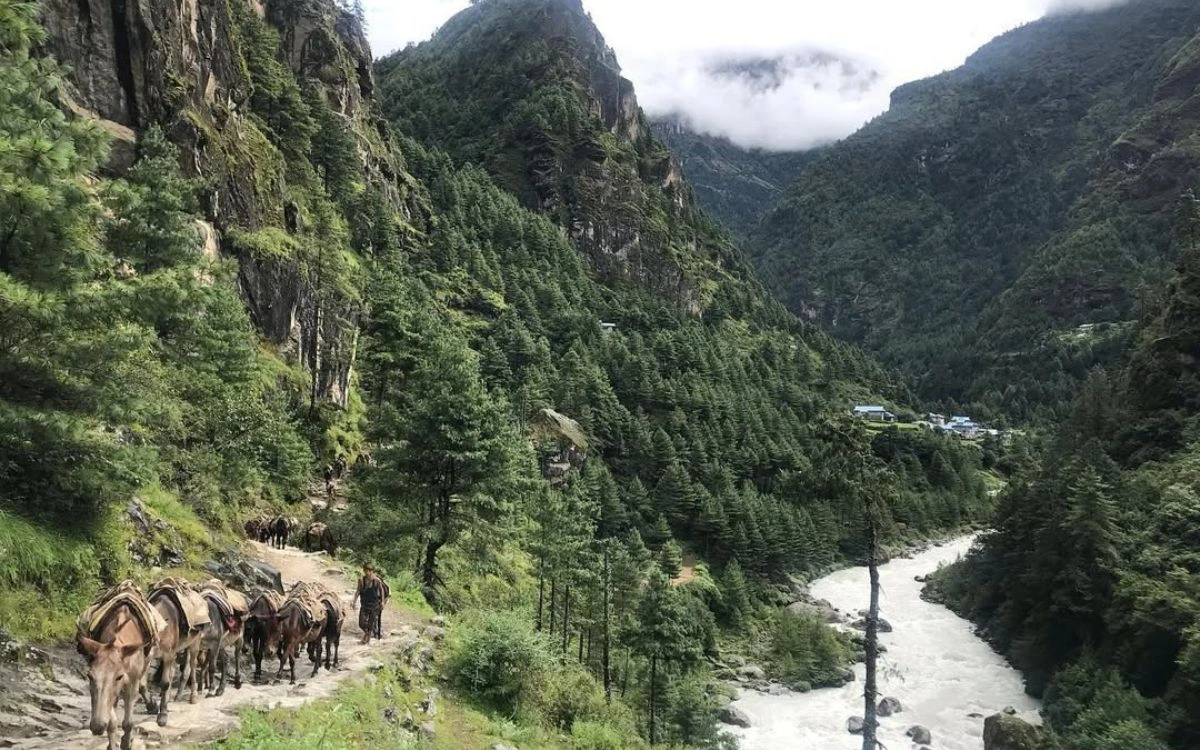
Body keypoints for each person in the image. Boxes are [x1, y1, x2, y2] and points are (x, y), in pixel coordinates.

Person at [352, 562, 383, 645]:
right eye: (366, 570)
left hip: (374, 605)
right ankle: (367, 633)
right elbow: (358, 591)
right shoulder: (361, 580)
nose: (368, 572)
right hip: (364, 604)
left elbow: (381, 590)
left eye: (370, 571)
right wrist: (354, 601)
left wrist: (382, 602)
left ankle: (367, 638)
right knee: (361, 623)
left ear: (372, 571)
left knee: (370, 623)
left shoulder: (376, 580)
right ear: (364, 571)